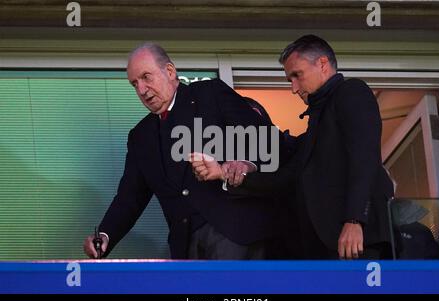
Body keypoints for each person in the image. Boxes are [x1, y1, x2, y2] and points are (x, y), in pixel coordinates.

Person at [191, 34, 395, 260]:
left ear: (322, 64)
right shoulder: (317, 120)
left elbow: (364, 157)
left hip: (356, 242)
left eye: (297, 76)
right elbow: (285, 178)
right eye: (290, 80)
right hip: (323, 249)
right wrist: (225, 172)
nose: (294, 88)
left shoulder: (351, 92)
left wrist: (355, 220)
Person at [83, 42, 288, 260]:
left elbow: (268, 141)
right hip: (185, 246)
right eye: (134, 84)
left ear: (170, 71)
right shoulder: (140, 137)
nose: (141, 90)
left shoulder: (211, 94)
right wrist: (106, 234)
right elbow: (129, 197)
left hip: (235, 232)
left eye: (146, 77)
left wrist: (243, 165)